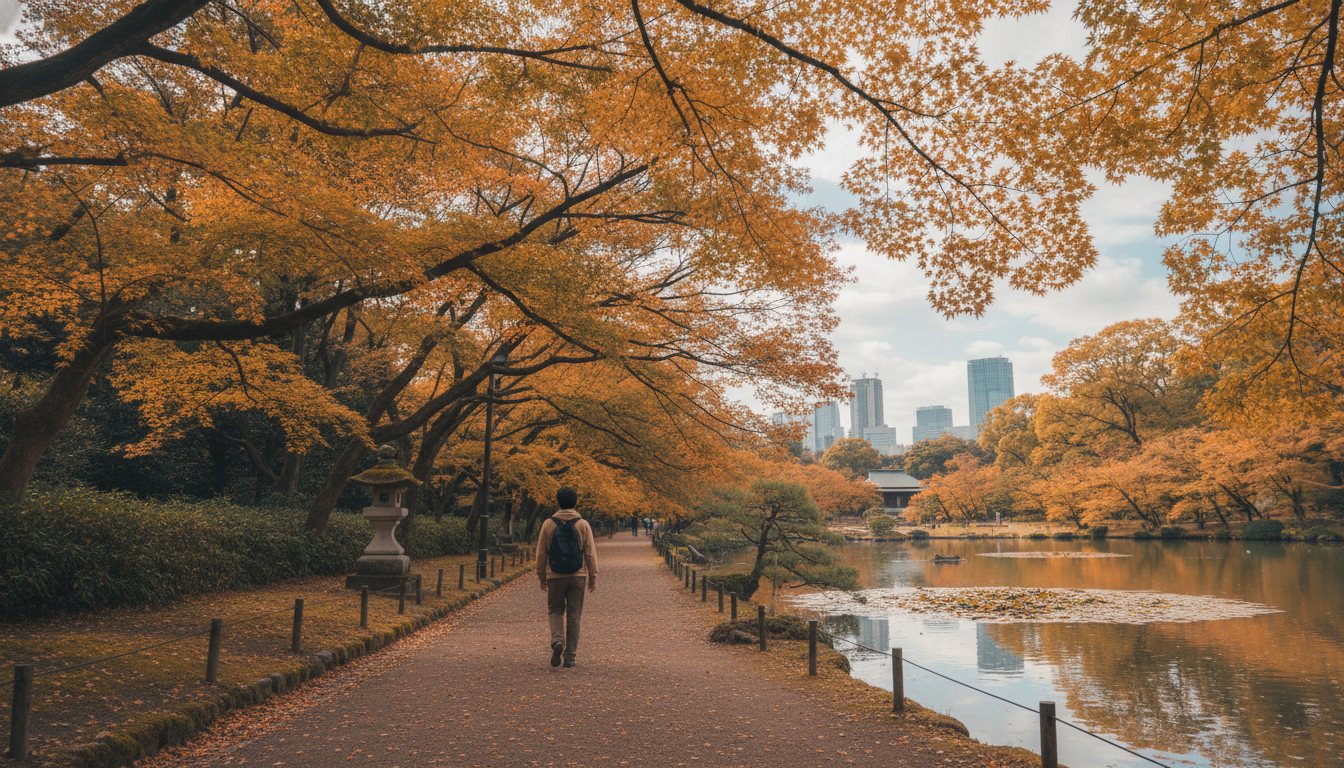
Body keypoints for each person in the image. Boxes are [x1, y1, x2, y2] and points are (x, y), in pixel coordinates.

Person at [535, 487, 598, 668]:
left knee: (555, 610)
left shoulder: (548, 523)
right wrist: (592, 577)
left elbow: (541, 554)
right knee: (574, 614)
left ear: (558, 502)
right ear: (575, 502)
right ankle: (570, 657)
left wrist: (542, 577)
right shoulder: (583, 524)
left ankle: (557, 641)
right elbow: (590, 554)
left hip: (555, 575)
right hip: (578, 576)